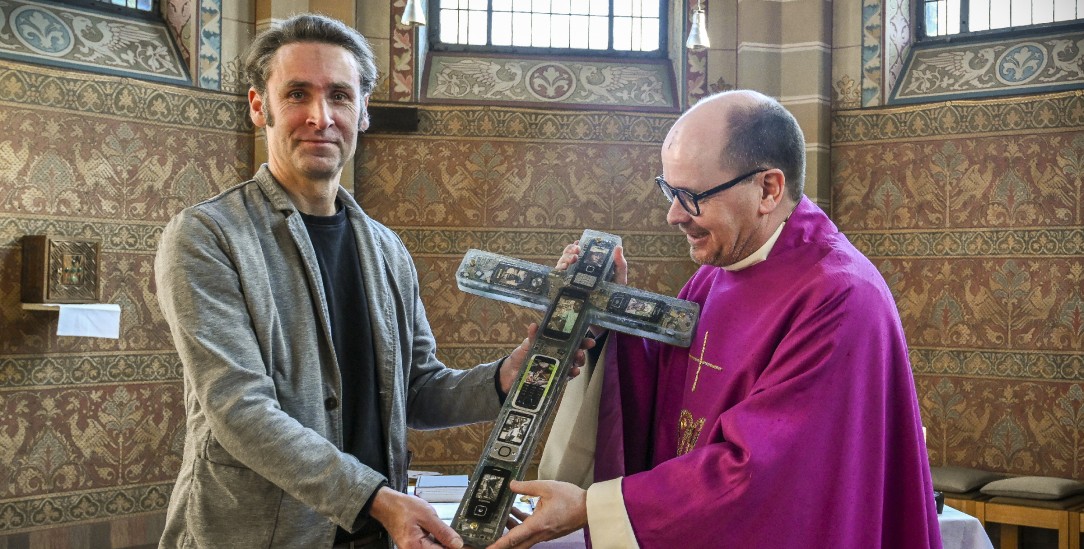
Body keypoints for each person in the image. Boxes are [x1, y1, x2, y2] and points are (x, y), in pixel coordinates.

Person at [154, 14, 585, 549]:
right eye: (296, 95)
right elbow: (238, 410)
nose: (320, 116)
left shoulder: (386, 248)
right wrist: (377, 498)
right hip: (257, 535)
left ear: (362, 112)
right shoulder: (206, 237)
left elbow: (417, 390)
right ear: (258, 106)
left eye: (339, 95)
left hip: (373, 536)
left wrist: (504, 377)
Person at [492, 90, 942, 548]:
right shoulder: (715, 278)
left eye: (690, 196)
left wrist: (594, 507)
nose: (673, 216)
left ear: (768, 189)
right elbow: (661, 386)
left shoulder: (838, 298)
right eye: (669, 191)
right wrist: (608, 312)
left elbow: (764, 473)